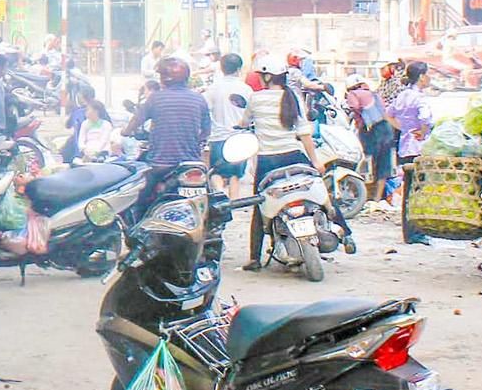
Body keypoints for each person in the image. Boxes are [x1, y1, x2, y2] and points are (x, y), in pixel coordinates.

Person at [242, 53, 352, 268]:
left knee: (260, 207)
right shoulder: (292, 97)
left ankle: (255, 258)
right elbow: (304, 133)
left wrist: (242, 125)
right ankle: (346, 233)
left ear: (265, 77)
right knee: (322, 194)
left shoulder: (256, 99)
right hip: (295, 156)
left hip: (267, 162)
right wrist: (316, 161)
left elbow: (245, 122)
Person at [125, 56, 211, 204]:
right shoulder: (199, 99)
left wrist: (125, 131)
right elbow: (206, 131)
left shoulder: (155, 99)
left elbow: (135, 121)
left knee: (139, 200)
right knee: (210, 193)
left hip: (160, 163)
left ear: (166, 78)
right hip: (191, 164)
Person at [387, 61, 435, 245]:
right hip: (418, 148)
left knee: (408, 191)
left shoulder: (402, 95)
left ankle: (408, 232)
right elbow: (425, 118)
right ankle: (416, 233)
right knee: (418, 191)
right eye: (427, 74)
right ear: (422, 77)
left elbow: (388, 114)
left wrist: (403, 128)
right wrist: (422, 131)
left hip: (404, 147)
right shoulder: (419, 98)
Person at [202, 53, 252, 200]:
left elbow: (205, 110)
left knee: (217, 171)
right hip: (239, 138)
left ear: (222, 68)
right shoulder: (246, 89)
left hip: (218, 137)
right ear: (239, 68)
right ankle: (233, 202)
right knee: (235, 174)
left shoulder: (213, 88)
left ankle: (219, 192)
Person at [345, 73, 393, 208]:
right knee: (383, 165)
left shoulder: (353, 94)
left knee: (363, 161)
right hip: (385, 129)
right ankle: (377, 198)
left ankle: (362, 195)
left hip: (370, 131)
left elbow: (353, 107)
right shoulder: (375, 95)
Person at [73, 97, 120, 161]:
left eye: (88, 110)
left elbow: (104, 140)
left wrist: (95, 152)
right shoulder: (84, 124)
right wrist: (84, 149)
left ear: (96, 111)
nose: (86, 112)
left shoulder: (106, 124)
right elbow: (81, 139)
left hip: (102, 151)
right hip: (86, 151)